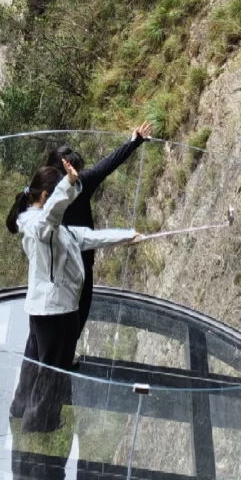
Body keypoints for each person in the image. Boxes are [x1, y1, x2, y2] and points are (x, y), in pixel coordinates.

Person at [6, 159, 149, 433]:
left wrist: (126, 236)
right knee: (53, 371)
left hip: (45, 311)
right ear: (48, 197)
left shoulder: (46, 228)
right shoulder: (42, 227)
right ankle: (40, 425)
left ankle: (20, 409)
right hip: (57, 313)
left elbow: (86, 238)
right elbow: (53, 214)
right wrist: (68, 184)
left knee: (36, 363)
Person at [43, 124, 153, 334]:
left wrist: (133, 142)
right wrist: (134, 142)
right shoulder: (80, 185)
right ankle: (65, 353)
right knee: (77, 314)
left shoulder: (42, 193)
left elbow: (106, 165)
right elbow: (107, 165)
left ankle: (57, 356)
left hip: (54, 265)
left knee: (55, 316)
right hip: (80, 263)